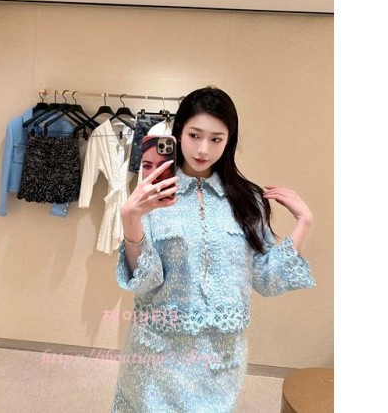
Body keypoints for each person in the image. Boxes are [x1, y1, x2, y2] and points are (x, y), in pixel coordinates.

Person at [111, 86, 316, 412]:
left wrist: (303, 222)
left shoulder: (248, 201)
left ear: (229, 140)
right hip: (157, 358)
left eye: (216, 139)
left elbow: (265, 279)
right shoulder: (152, 196)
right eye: (194, 135)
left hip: (219, 359)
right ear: (179, 132)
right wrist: (131, 219)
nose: (203, 149)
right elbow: (145, 280)